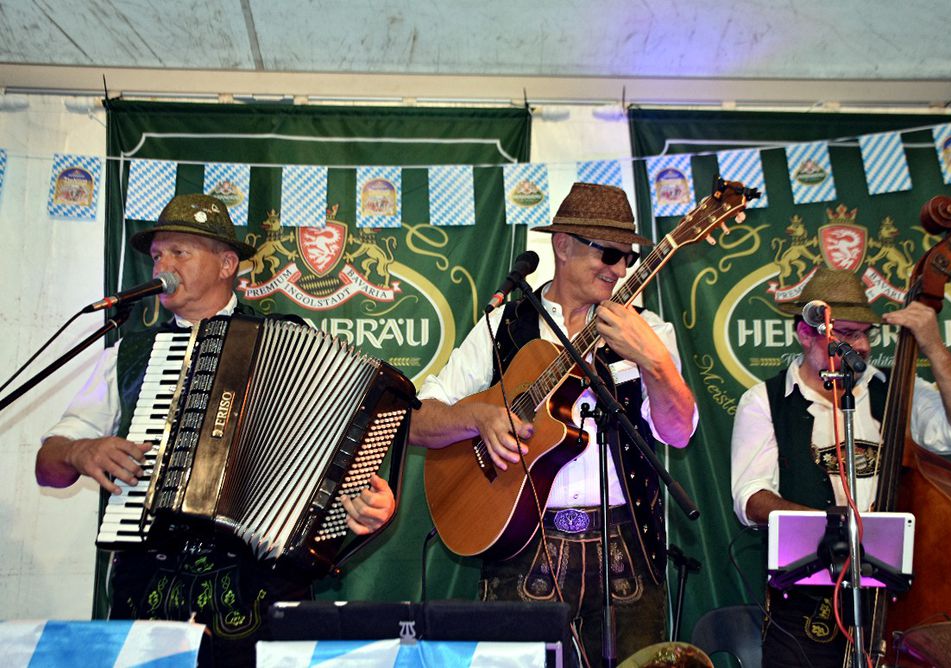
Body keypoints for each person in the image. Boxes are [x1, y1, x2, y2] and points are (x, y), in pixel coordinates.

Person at [36, 194, 396, 667]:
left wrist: (372, 504)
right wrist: (80, 451)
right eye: (157, 255)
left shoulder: (288, 341)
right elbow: (49, 466)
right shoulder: (127, 354)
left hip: (258, 595)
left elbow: (339, 466)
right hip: (149, 592)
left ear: (227, 264)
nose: (162, 264)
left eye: (179, 253)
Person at [409, 182, 699, 665]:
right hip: (524, 543)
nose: (619, 269)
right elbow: (418, 420)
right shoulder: (503, 324)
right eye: (607, 253)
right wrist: (477, 417)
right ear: (562, 246)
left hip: (627, 548)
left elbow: (679, 432)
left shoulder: (650, 331)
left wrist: (655, 361)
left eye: (626, 257)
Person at [729, 266, 951, 667]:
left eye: (866, 333)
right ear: (806, 333)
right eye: (848, 333)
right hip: (805, 608)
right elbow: (750, 498)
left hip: (895, 600)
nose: (863, 345)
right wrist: (837, 528)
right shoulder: (763, 400)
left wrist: (934, 346)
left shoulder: (895, 389)